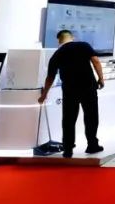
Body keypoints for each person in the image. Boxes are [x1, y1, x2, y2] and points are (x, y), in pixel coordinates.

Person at [39, 30, 105, 159]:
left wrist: (44, 94)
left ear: (59, 40)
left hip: (69, 89)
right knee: (91, 116)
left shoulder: (57, 54)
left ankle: (68, 149)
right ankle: (92, 145)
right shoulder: (84, 45)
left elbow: (50, 77)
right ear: (72, 37)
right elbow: (96, 61)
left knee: (68, 119)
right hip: (88, 86)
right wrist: (101, 78)